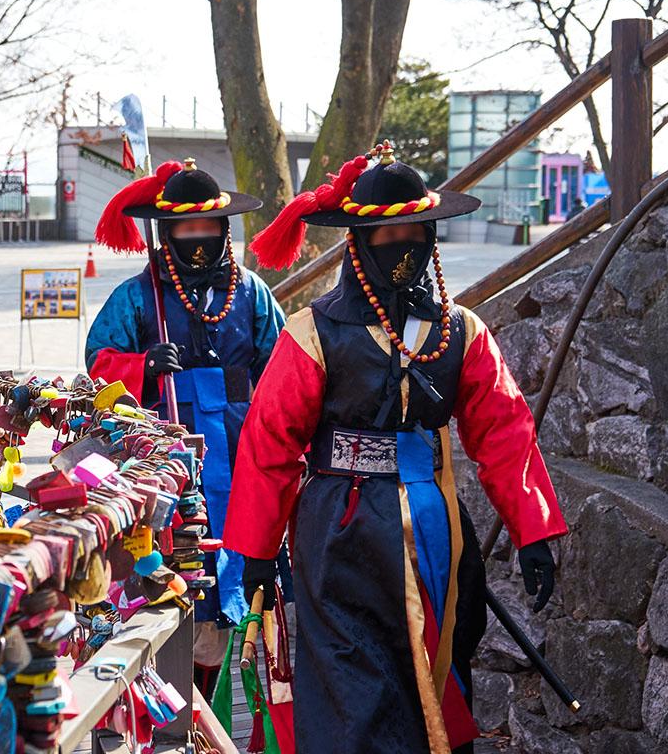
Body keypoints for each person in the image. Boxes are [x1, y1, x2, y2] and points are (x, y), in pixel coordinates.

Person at [227, 141, 568, 753]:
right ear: (359, 242)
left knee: (439, 670)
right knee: (351, 687)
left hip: (437, 529)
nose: (403, 245)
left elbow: (504, 428)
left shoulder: (460, 331)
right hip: (341, 536)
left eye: (415, 230)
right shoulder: (313, 333)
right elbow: (269, 443)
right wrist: (254, 548)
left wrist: (533, 528)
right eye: (388, 234)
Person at [85, 158, 287, 695]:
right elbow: (97, 360)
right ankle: (176, 691)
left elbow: (284, 369)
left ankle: (225, 690)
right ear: (167, 233)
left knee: (240, 559)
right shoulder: (136, 295)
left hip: (243, 447)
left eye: (207, 228)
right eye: (185, 229)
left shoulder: (253, 294)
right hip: (172, 448)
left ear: (223, 230)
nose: (198, 238)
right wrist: (142, 367)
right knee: (179, 560)